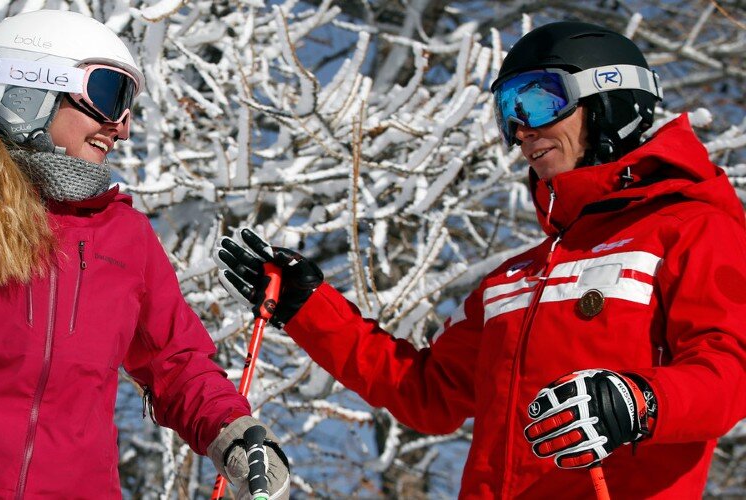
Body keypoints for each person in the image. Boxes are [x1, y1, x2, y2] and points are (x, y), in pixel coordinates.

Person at [214, 21, 746, 499]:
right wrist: (310, 309)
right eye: (507, 112)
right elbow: (425, 393)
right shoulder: (514, 280)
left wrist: (638, 403)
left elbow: (730, 372)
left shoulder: (692, 229)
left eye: (537, 102)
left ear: (610, 102)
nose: (520, 130)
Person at [0, 9, 289, 499]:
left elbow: (175, 359)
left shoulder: (123, 236)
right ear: (28, 92)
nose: (122, 128)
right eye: (109, 97)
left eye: (128, 107)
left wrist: (232, 431)